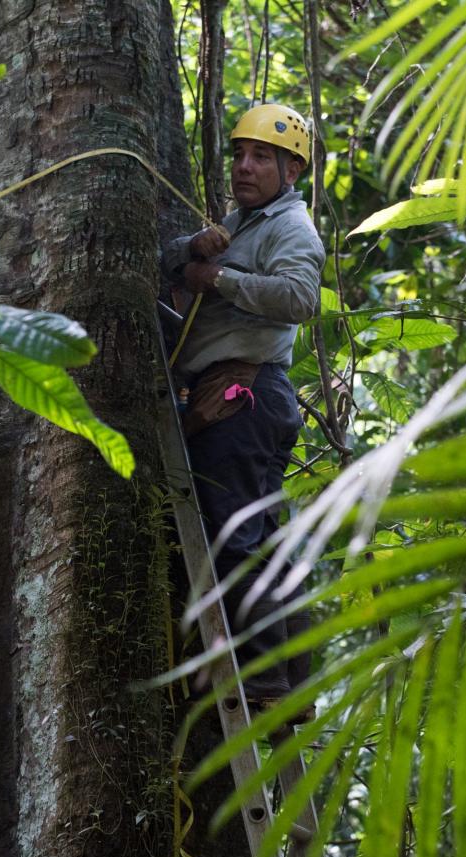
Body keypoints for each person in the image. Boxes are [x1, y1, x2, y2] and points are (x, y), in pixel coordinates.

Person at [161, 103, 326, 705]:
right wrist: (191, 247)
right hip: (226, 397)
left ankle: (266, 681)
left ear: (292, 170)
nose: (244, 166)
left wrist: (220, 280)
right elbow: (175, 264)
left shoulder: (291, 229)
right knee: (253, 538)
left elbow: (300, 298)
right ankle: (288, 676)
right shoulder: (244, 223)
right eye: (239, 154)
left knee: (238, 540)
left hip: (248, 398)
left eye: (262, 157)